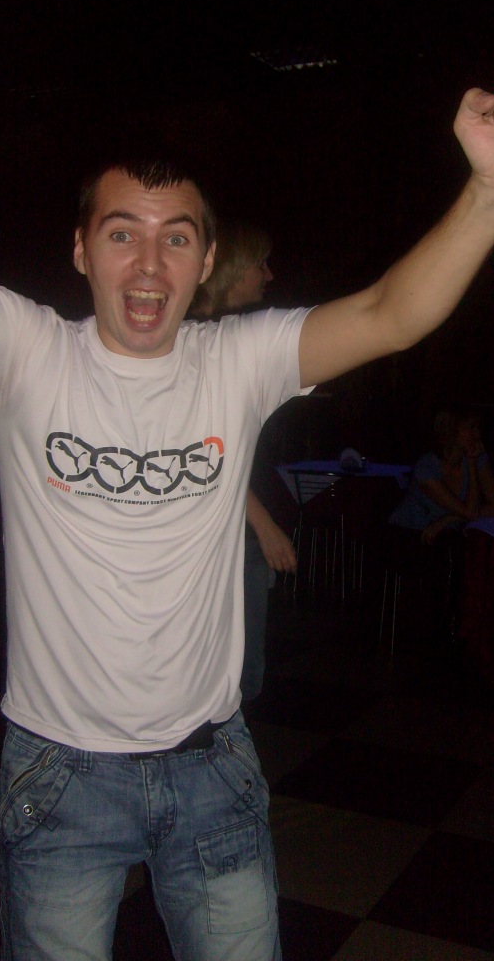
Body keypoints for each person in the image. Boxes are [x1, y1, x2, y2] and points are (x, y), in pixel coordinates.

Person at [0, 0, 494, 961]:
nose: (148, 264)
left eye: (176, 238)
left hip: (210, 764)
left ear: (206, 259)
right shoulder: (26, 352)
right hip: (59, 772)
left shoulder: (235, 361)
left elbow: (391, 312)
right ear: (81, 250)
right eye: (121, 233)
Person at [190, 220, 296, 703]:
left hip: (239, 528)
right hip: (228, 531)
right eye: (260, 264)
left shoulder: (234, 336)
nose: (268, 275)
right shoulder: (199, 339)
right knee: (238, 675)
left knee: (241, 671)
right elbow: (202, 450)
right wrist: (263, 524)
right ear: (232, 269)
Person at [390, 406, 494, 544]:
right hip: (412, 534)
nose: (477, 434)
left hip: (448, 533)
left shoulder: (476, 458)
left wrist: (449, 518)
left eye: (477, 428)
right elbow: (471, 513)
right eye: (471, 428)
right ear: (451, 432)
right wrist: (472, 463)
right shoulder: (426, 468)